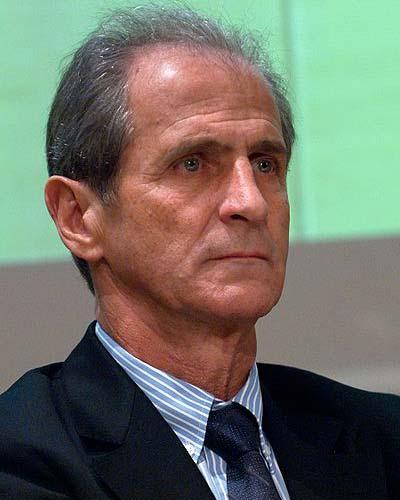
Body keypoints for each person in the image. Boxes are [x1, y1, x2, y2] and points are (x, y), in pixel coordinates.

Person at [0, 5, 399, 500]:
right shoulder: (20, 462)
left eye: (265, 164)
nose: (250, 202)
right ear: (78, 217)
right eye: (192, 164)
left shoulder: (383, 441)